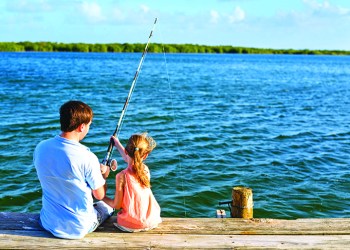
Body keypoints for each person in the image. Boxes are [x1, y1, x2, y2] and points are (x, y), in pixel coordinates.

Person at [34, 100, 114, 239]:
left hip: (48, 223)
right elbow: (99, 195)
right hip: (79, 228)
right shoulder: (87, 157)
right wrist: (103, 175)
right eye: (89, 125)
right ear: (81, 127)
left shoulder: (41, 147)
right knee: (108, 207)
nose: (88, 129)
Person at [103, 133, 162, 232]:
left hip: (130, 225)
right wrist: (117, 143)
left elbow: (116, 205)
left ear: (126, 151)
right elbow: (131, 159)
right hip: (152, 221)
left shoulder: (121, 176)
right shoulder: (145, 170)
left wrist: (100, 196)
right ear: (145, 155)